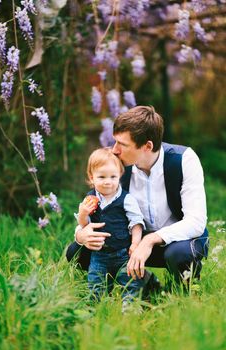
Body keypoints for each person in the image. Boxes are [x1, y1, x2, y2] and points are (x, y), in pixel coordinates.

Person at [66, 105, 208, 290]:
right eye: (114, 142)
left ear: (147, 146)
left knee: (180, 255)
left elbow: (196, 222)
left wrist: (150, 240)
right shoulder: (118, 165)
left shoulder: (184, 160)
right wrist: (80, 234)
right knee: (77, 252)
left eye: (122, 145)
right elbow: (96, 207)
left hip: (177, 240)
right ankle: (144, 285)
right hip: (131, 241)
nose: (114, 150)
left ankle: (182, 293)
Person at [76, 147, 146, 301]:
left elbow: (136, 223)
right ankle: (96, 308)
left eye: (113, 177)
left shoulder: (127, 199)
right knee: (96, 284)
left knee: (130, 282)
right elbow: (85, 226)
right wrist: (83, 215)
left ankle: (130, 307)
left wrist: (135, 244)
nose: (108, 182)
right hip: (99, 254)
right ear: (91, 177)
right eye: (101, 177)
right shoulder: (89, 199)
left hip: (123, 252)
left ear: (120, 175)